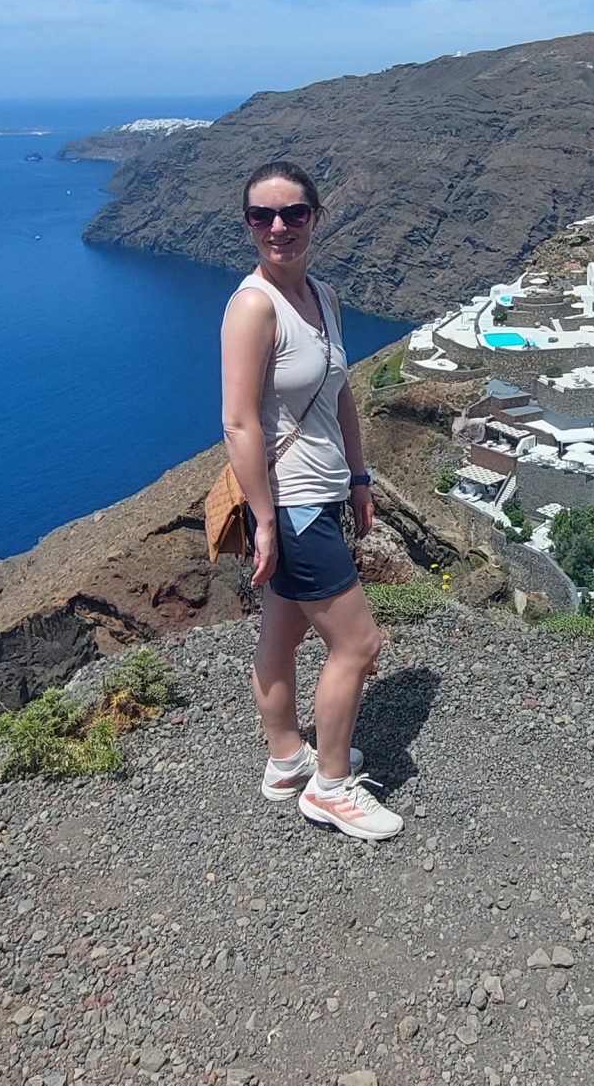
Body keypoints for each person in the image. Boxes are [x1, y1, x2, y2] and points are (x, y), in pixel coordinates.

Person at [219, 161, 402, 842]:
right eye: (261, 215)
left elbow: (340, 391)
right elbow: (238, 422)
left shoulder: (322, 296)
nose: (278, 227)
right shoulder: (253, 307)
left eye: (293, 213)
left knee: (282, 631)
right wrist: (266, 521)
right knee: (359, 642)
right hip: (291, 504)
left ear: (316, 217)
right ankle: (330, 786)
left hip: (323, 493)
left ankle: (286, 760)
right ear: (247, 224)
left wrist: (358, 477)